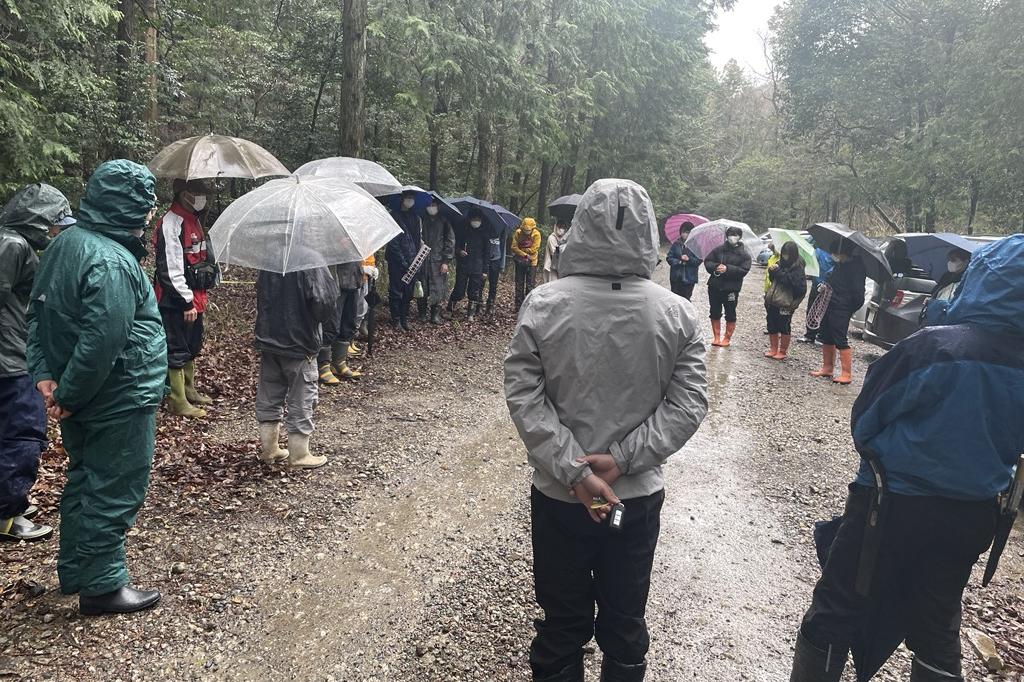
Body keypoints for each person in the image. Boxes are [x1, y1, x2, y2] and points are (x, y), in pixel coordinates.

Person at [788, 234, 1024, 682]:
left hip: (890, 505)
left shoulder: (935, 347)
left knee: (836, 608)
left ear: (986, 278)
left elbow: (867, 420)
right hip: (972, 515)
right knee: (937, 627)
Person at [505, 179, 708, 682]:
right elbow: (689, 403)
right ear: (647, 233)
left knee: (562, 620)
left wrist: (575, 471)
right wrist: (623, 460)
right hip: (632, 500)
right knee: (624, 617)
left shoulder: (543, 304)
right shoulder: (678, 314)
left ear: (582, 227)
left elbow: (523, 393)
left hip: (561, 497)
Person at [27, 160, 165, 615]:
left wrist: (45, 375)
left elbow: (38, 314)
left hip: (85, 393)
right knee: (114, 487)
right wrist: (68, 393)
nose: (149, 216)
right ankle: (103, 587)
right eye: (146, 208)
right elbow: (102, 339)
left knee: (84, 480)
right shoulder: (110, 259)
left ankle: (78, 570)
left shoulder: (65, 243)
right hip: (118, 395)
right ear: (131, 206)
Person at [0, 183, 76, 542]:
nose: (55, 229)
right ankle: (8, 515)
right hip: (11, 361)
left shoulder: (14, 242)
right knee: (23, 433)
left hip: (13, 356)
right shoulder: (12, 245)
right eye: (53, 221)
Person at [254, 262, 340, 469]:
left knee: (269, 396)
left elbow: (261, 296)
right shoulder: (311, 260)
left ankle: (269, 449)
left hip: (269, 339)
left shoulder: (269, 259)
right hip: (300, 341)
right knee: (302, 398)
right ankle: (300, 454)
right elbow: (323, 304)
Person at [153, 178, 217, 418]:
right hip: (175, 300)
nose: (202, 198)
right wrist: (185, 300)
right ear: (183, 194)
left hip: (195, 296)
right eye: (197, 193)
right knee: (177, 347)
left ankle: (189, 389)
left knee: (192, 344)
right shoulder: (171, 223)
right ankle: (177, 399)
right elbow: (169, 267)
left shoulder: (195, 220)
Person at [809, 239, 866, 385]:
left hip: (841, 308)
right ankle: (827, 368)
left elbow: (859, 296)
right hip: (829, 305)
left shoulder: (856, 268)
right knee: (826, 336)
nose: (833, 255)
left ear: (843, 252)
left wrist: (847, 308)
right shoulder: (839, 265)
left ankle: (846, 374)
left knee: (840, 339)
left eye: (835, 253)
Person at [704, 225, 752, 347]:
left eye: (735, 235)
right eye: (731, 234)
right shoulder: (718, 250)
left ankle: (727, 338)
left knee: (730, 313)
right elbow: (708, 261)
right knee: (714, 311)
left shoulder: (744, 255)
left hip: (731, 289)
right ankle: (716, 337)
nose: (732, 237)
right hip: (715, 286)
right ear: (726, 236)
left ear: (740, 237)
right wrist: (716, 267)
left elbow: (744, 270)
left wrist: (728, 269)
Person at [317, 262, 363, 385]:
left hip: (354, 278)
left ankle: (339, 362)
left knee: (349, 323)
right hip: (336, 281)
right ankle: (323, 364)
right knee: (331, 325)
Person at [763, 241, 807, 360]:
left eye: (787, 254)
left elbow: (796, 285)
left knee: (784, 326)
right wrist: (772, 271)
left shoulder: (798, 268)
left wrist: (778, 272)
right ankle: (773, 349)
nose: (784, 256)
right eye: (783, 253)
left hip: (786, 303)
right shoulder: (780, 263)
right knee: (771, 324)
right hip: (773, 300)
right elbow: (773, 280)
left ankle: (782, 351)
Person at [386, 190, 422, 331]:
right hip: (396, 261)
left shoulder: (415, 217)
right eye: (408, 198)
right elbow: (393, 242)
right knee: (396, 290)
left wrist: (416, 261)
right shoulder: (393, 216)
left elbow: (417, 241)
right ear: (402, 199)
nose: (410, 200)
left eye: (412, 198)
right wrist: (402, 261)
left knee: (408, 291)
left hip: (412, 260)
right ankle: (395, 320)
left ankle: (404, 318)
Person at [447, 210, 489, 321]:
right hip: (463, 265)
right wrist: (460, 251)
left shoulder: (484, 234)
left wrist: (485, 270)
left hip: (477, 267)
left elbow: (487, 254)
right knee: (459, 290)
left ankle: (470, 313)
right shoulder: (463, 231)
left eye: (478, 220)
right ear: (470, 220)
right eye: (474, 219)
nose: (476, 222)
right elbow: (456, 247)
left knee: (474, 291)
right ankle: (449, 309)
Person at [421, 197, 456, 324]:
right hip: (422, 258)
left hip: (438, 260)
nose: (431, 207)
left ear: (438, 206)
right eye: (429, 205)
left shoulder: (444, 221)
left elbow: (450, 241)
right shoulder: (421, 219)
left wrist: (446, 261)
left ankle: (434, 314)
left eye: (433, 205)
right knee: (422, 285)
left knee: (438, 287)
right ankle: (422, 313)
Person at [798, 246, 834, 345]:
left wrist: (827, 280)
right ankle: (810, 334)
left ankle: (821, 335)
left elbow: (835, 270)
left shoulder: (834, 253)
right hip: (816, 284)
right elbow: (811, 264)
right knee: (811, 309)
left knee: (824, 311)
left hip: (828, 286)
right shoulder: (818, 250)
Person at [511, 217, 542, 311]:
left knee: (530, 285)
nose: (526, 231)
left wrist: (521, 249)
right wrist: (524, 254)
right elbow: (513, 247)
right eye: (525, 229)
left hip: (532, 262)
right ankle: (518, 306)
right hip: (520, 261)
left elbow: (534, 249)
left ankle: (529, 306)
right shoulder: (518, 233)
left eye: (528, 230)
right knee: (519, 283)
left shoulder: (536, 234)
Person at [666, 222, 700, 300]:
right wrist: (679, 261)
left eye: (688, 232)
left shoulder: (696, 245)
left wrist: (689, 259)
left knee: (686, 299)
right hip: (676, 277)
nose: (686, 234)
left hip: (689, 278)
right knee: (675, 299)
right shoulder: (676, 244)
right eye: (684, 232)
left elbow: (698, 260)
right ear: (681, 233)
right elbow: (669, 258)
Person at [485, 221, 508, 316]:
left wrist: (502, 264)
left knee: (493, 284)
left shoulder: (503, 226)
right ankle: (477, 303)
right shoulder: (485, 225)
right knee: (480, 282)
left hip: (496, 259)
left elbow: (503, 246)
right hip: (485, 257)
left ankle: (490, 304)